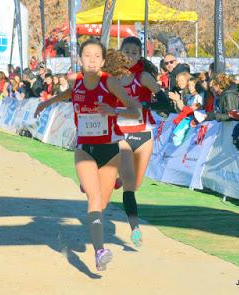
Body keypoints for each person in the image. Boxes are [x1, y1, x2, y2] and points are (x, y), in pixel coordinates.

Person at [34, 38, 141, 271]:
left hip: (110, 151)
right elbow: (68, 94)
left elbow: (136, 110)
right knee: (93, 200)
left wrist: (115, 110)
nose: (91, 60)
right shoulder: (75, 80)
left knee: (100, 205)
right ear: (80, 59)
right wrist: (47, 103)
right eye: (87, 56)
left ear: (102, 61)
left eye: (96, 56)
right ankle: (100, 251)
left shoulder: (110, 82)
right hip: (84, 149)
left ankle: (93, 185)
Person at [107, 37, 168, 247]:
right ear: (120, 53)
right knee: (130, 188)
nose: (130, 56)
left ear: (140, 55)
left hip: (143, 133)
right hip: (121, 134)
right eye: (127, 52)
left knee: (136, 184)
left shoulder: (143, 77)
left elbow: (163, 100)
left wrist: (147, 103)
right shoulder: (112, 77)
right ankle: (135, 229)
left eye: (135, 53)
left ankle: (119, 179)